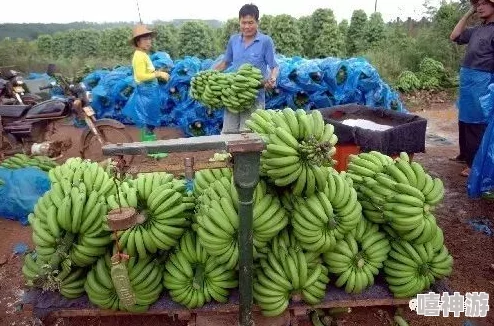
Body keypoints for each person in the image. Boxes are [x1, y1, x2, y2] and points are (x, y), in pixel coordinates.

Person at [213, 3, 279, 134]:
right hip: (233, 95)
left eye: (251, 22)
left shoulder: (265, 41)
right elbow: (226, 62)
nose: (247, 26)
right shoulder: (234, 40)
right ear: (239, 22)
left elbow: (274, 66)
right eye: (243, 23)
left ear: (257, 22)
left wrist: (272, 78)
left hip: (254, 95)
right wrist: (210, 74)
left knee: (248, 134)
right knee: (228, 133)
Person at [450, 0, 494, 177]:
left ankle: (475, 164)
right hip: (468, 80)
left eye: (484, 3)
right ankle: (465, 155)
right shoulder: (479, 29)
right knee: (465, 120)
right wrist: (468, 13)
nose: (479, 7)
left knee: (477, 122)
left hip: (483, 81)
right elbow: (454, 36)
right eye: (478, 4)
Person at [123, 24, 169, 141]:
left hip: (150, 91)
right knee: (149, 120)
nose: (149, 42)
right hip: (146, 92)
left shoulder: (143, 54)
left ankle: (147, 146)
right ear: (138, 42)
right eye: (145, 39)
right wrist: (158, 74)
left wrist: (158, 72)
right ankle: (150, 149)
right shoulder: (139, 56)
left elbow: (147, 71)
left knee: (149, 120)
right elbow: (141, 76)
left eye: (149, 39)